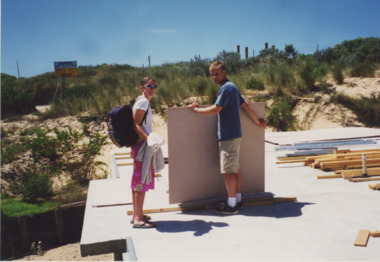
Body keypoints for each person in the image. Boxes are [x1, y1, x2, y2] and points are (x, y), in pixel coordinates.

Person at [189, 61, 267, 215]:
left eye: (217, 73)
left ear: (224, 72)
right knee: (235, 169)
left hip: (228, 136)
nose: (214, 77)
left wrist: (196, 110)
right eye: (212, 74)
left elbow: (216, 109)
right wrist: (257, 121)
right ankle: (237, 200)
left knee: (228, 171)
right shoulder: (232, 87)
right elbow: (246, 106)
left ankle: (231, 206)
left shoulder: (226, 89)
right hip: (234, 135)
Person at [130, 76, 158, 228]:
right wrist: (148, 139)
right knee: (141, 180)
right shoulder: (143, 101)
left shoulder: (140, 101)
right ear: (142, 87)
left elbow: (135, 124)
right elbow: (135, 124)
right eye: (149, 86)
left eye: (154, 86)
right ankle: (137, 219)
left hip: (138, 144)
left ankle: (137, 214)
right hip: (142, 144)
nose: (152, 89)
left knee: (138, 181)